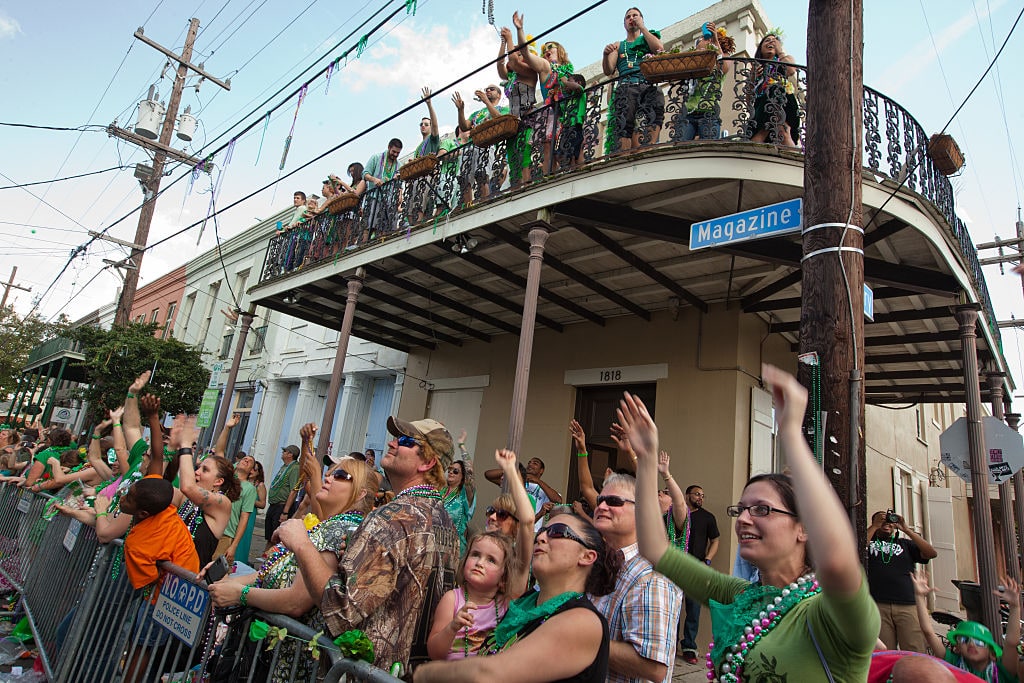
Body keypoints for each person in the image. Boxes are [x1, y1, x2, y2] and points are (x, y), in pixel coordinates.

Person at [630, 364, 880, 681]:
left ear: (804, 527)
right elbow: (655, 549)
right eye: (742, 509)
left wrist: (790, 432)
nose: (744, 518)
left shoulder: (831, 614)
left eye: (761, 509)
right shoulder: (740, 595)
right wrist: (647, 460)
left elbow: (837, 562)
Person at [278, 416, 460, 677]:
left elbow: (342, 610)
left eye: (406, 441)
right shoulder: (447, 525)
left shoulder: (391, 518)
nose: (392, 443)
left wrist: (301, 543)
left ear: (428, 462)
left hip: (369, 672)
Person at [207, 423, 375, 683]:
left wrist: (239, 594)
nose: (329, 477)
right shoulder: (325, 526)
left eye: (341, 476)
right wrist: (229, 582)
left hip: (290, 663)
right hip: (274, 655)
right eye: (330, 472)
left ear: (360, 493)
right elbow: (276, 574)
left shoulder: (340, 530)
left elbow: (297, 601)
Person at [415, 508, 619, 683]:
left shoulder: (582, 621)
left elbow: (488, 674)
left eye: (557, 532)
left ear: (587, 556)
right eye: (543, 530)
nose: (541, 537)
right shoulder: (525, 603)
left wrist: (424, 674)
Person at [427, 448, 534, 660]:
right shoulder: (454, 599)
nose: (493, 517)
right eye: (490, 511)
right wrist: (452, 627)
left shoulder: (510, 591)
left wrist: (512, 472)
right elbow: (435, 652)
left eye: (502, 514)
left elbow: (528, 522)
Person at [591, 472, 682, 683]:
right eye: (600, 500)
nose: (602, 507)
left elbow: (653, 666)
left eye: (614, 501)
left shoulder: (652, 575)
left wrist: (579, 637)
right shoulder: (599, 561)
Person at [911, 571, 1020, 682]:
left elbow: (1011, 643)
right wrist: (919, 596)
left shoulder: (1002, 670)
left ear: (992, 653)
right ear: (957, 648)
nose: (971, 644)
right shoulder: (953, 662)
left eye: (979, 641)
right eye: (964, 639)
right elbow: (928, 632)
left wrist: (1014, 607)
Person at [867, 509, 937, 652]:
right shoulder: (869, 542)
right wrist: (874, 526)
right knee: (884, 651)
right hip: (878, 603)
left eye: (890, 522)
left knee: (914, 648)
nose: (887, 524)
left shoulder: (905, 544)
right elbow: (856, 548)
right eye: (882, 521)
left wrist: (906, 529)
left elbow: (931, 553)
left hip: (907, 604)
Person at [602, 7, 665, 150]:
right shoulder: (619, 45)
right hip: (626, 86)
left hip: (646, 85)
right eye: (628, 17)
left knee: (657, 99)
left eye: (635, 15)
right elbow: (608, 70)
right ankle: (624, 155)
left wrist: (642, 27)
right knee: (625, 121)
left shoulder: (648, 38)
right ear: (624, 23)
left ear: (641, 19)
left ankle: (648, 148)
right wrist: (605, 55)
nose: (631, 18)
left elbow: (659, 49)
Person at [678, 482, 719, 664]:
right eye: (697, 494)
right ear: (687, 496)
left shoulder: (708, 517)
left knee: (693, 610)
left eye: (702, 495)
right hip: (676, 566)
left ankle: (689, 647)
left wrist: (707, 560)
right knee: (673, 608)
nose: (700, 498)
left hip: (697, 568)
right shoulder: (678, 515)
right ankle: (668, 644)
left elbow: (715, 540)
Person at [679, 22, 736, 142]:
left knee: (708, 149)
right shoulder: (694, 62)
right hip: (689, 113)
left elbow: (724, 68)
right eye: (702, 39)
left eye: (706, 39)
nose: (704, 41)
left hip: (709, 113)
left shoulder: (724, 56)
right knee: (680, 148)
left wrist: (715, 40)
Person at [453, 88, 509, 200]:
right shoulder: (477, 113)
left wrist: (486, 102)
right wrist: (461, 110)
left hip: (487, 145)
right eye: (486, 89)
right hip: (470, 147)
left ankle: (485, 202)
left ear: (499, 95)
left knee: (482, 175)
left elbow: (500, 119)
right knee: (464, 179)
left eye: (491, 89)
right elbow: (464, 126)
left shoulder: (503, 108)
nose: (488, 90)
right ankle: (467, 207)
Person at [749, 32, 800, 148]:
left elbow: (791, 70)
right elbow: (748, 99)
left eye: (774, 40)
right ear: (760, 48)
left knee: (783, 131)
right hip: (761, 107)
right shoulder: (756, 67)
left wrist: (780, 51)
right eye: (767, 40)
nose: (771, 42)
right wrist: (753, 77)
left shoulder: (785, 58)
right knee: (778, 129)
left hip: (785, 103)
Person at [442, 431, 476, 553]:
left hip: (454, 549)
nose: (451, 472)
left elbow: (470, 472)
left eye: (455, 471)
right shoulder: (441, 491)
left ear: (463, 477)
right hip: (435, 546)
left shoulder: (464, 495)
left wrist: (461, 445)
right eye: (450, 470)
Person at [363, 138, 403, 240]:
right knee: (370, 225)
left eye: (398, 153)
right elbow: (365, 174)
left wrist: (400, 195)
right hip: (374, 198)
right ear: (389, 147)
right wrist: (374, 179)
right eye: (394, 151)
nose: (395, 155)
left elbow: (399, 184)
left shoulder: (399, 165)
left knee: (388, 228)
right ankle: (363, 245)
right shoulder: (376, 158)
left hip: (390, 201)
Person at [266, 443, 299, 541]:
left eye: (285, 451)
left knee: (276, 538)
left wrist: (285, 512)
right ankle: (266, 555)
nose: (282, 453)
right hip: (274, 505)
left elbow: (294, 490)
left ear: (290, 454)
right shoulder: (284, 467)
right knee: (269, 537)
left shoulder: (295, 468)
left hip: (282, 506)